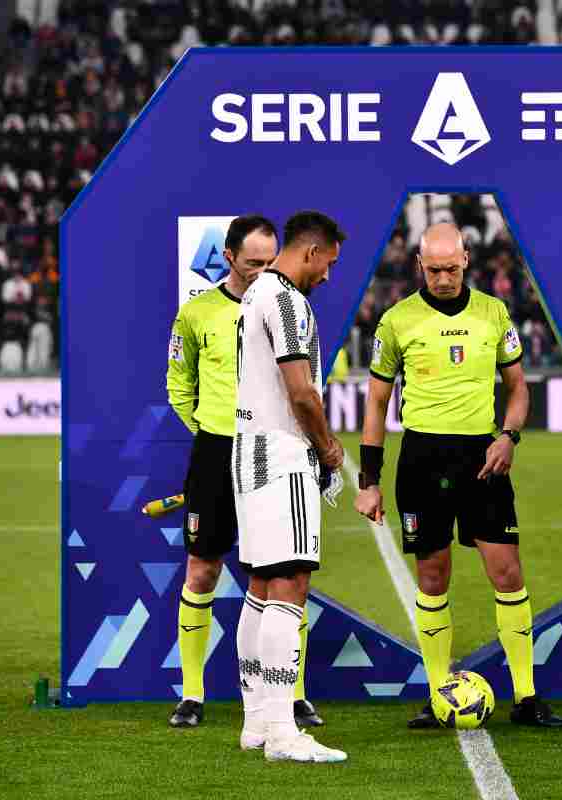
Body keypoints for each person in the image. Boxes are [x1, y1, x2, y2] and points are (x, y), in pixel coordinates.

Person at [353, 222, 562, 729]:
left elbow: (517, 390)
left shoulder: (494, 313)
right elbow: (377, 402)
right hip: (422, 458)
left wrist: (509, 437)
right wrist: (368, 480)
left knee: (507, 573)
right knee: (432, 577)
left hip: (483, 458)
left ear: (467, 259)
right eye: (434, 270)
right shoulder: (397, 321)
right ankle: (438, 694)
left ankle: (527, 697)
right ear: (419, 266)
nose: (444, 278)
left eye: (451, 268)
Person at [165, 215, 322, 730]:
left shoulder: (282, 306)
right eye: (252, 262)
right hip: (216, 451)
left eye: (268, 261)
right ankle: (192, 694)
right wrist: (210, 429)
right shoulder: (197, 313)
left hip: (271, 452)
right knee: (202, 570)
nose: (261, 271)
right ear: (228, 257)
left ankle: (291, 694)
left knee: (279, 575)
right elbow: (178, 382)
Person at [233, 210, 348, 763]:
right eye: (328, 263)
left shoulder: (253, 294)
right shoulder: (285, 301)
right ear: (310, 251)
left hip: (248, 451)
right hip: (281, 453)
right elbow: (301, 392)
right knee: (291, 583)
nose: (327, 276)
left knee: (260, 584)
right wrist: (328, 450)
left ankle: (257, 721)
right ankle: (283, 731)